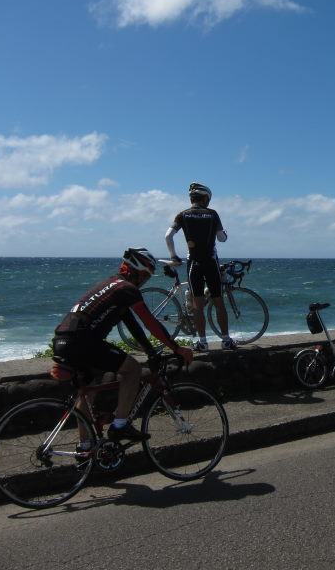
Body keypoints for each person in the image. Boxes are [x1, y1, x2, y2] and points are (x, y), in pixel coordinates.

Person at [50, 247, 192, 443]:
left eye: (147, 277)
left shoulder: (111, 284)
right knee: (132, 370)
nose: (144, 281)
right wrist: (177, 349)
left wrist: (150, 351)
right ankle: (120, 426)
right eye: (143, 276)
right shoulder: (127, 289)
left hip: (63, 340)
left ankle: (85, 450)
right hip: (82, 342)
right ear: (132, 271)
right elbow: (150, 323)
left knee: (88, 391)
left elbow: (131, 323)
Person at [165, 182, 237, 352]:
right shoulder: (212, 214)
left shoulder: (182, 215)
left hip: (194, 264)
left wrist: (173, 256)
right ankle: (226, 340)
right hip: (210, 263)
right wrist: (224, 232)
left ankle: (202, 342)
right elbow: (221, 238)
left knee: (197, 305)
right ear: (206, 198)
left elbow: (168, 236)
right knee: (219, 303)